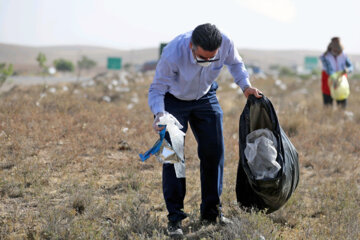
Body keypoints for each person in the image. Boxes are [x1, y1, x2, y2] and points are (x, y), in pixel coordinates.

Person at [148, 23, 262, 237]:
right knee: (173, 158)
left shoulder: (226, 42)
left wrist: (246, 86)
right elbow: (157, 88)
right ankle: (175, 219)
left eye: (212, 58)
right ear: (192, 46)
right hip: (173, 102)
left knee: (214, 153)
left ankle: (212, 214)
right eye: (202, 58)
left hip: (205, 97)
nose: (207, 63)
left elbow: (236, 64)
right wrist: (159, 114)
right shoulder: (172, 52)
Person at [320, 37, 353, 108]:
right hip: (328, 81)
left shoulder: (344, 56)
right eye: (335, 51)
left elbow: (350, 66)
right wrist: (334, 77)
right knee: (328, 106)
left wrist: (348, 70)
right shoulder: (325, 56)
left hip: (341, 82)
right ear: (331, 49)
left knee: (342, 105)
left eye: (339, 52)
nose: (337, 53)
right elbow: (329, 69)